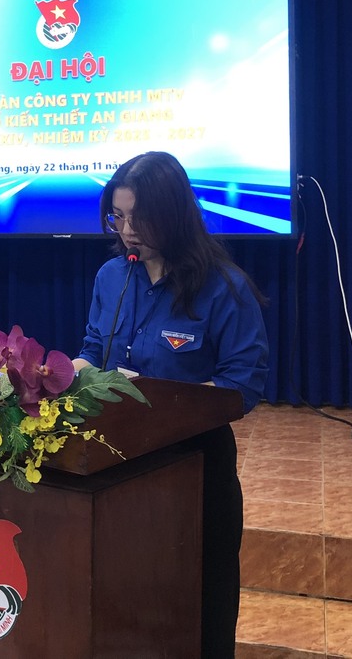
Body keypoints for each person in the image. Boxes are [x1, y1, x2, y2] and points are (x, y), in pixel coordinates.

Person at [74, 151, 268, 658]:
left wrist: (164, 401)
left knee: (203, 604)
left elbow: (243, 386)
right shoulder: (111, 277)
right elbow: (94, 347)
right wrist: (74, 371)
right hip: (120, 460)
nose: (127, 231)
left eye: (139, 219)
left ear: (174, 214)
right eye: (118, 217)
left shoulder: (224, 287)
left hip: (196, 466)